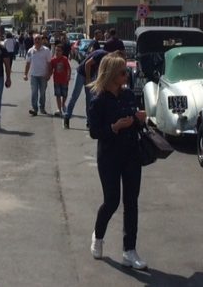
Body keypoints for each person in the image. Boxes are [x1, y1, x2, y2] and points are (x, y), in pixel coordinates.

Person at [87, 54, 148, 270]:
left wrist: (140, 119)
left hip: (132, 154)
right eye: (123, 72)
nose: (126, 75)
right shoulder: (98, 100)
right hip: (109, 156)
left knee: (132, 202)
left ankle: (129, 251)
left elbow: (137, 122)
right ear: (112, 75)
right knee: (111, 201)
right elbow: (94, 132)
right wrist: (115, 127)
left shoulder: (129, 95)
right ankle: (99, 235)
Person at [66, 45, 108, 127]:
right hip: (81, 73)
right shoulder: (101, 55)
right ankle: (67, 117)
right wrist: (88, 79)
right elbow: (87, 65)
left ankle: (89, 121)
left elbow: (101, 72)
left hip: (91, 74)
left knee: (90, 99)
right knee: (75, 95)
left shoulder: (106, 58)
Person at [23, 35, 51, 116]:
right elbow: (28, 63)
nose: (37, 40)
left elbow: (49, 63)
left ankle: (42, 108)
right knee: (34, 92)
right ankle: (34, 109)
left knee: (42, 93)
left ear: (42, 40)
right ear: (33, 40)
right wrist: (25, 74)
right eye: (36, 39)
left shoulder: (46, 50)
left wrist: (48, 74)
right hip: (34, 75)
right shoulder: (30, 51)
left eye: (39, 39)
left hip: (43, 75)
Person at [50, 45, 71, 126]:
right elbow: (51, 69)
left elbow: (68, 68)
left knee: (64, 94)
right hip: (56, 80)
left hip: (64, 80)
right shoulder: (53, 60)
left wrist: (68, 76)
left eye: (59, 51)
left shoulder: (65, 59)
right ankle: (59, 109)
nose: (57, 52)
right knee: (58, 95)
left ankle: (63, 104)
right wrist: (48, 75)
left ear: (62, 52)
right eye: (56, 50)